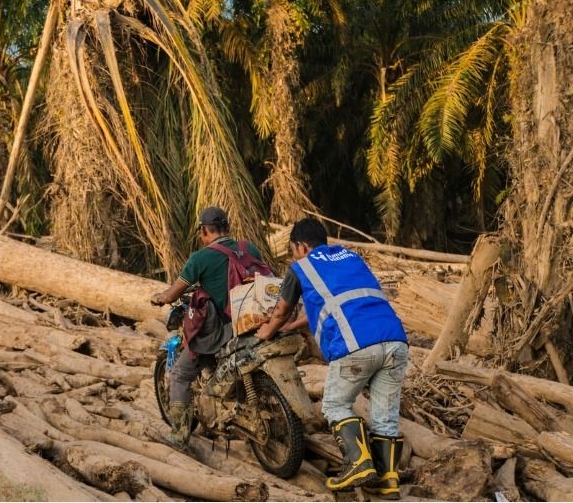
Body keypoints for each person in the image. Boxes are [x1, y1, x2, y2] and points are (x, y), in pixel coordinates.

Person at [256, 218, 408, 498]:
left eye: (292, 250)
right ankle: (389, 480)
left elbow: (280, 311)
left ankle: (358, 463)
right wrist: (295, 326)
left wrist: (264, 333)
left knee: (335, 405)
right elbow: (337, 300)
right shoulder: (350, 257)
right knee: (385, 415)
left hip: (356, 344)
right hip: (395, 341)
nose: (292, 256)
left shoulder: (301, 268)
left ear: (301, 246)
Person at [151, 206, 264, 451]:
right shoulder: (249, 248)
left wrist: (160, 297)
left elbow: (174, 293)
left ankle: (178, 437)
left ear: (204, 231)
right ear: (228, 227)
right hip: (253, 322)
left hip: (222, 331)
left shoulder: (201, 258)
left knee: (180, 375)